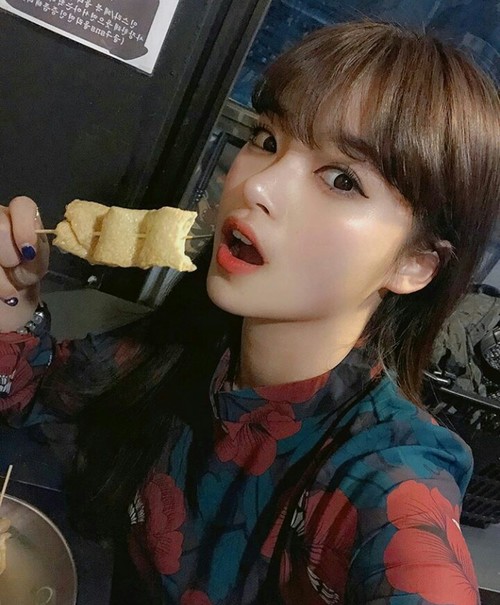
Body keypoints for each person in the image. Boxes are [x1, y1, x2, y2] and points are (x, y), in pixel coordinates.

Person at [1, 20, 499, 605]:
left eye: (342, 179)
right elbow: (31, 387)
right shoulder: (194, 344)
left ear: (414, 264)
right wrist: (13, 294)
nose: (258, 185)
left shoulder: (386, 471)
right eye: (266, 139)